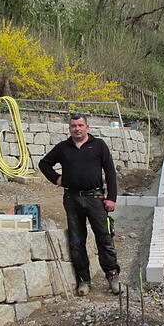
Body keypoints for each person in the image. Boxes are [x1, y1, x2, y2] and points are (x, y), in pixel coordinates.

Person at [39, 114, 121, 296]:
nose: (77, 128)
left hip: (96, 198)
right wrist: (57, 179)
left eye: (80, 125)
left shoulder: (98, 145)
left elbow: (110, 171)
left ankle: (112, 275)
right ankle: (84, 280)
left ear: (87, 127)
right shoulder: (63, 148)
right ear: (70, 129)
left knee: (104, 238)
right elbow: (44, 164)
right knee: (77, 242)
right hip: (72, 199)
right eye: (73, 126)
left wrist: (111, 197)